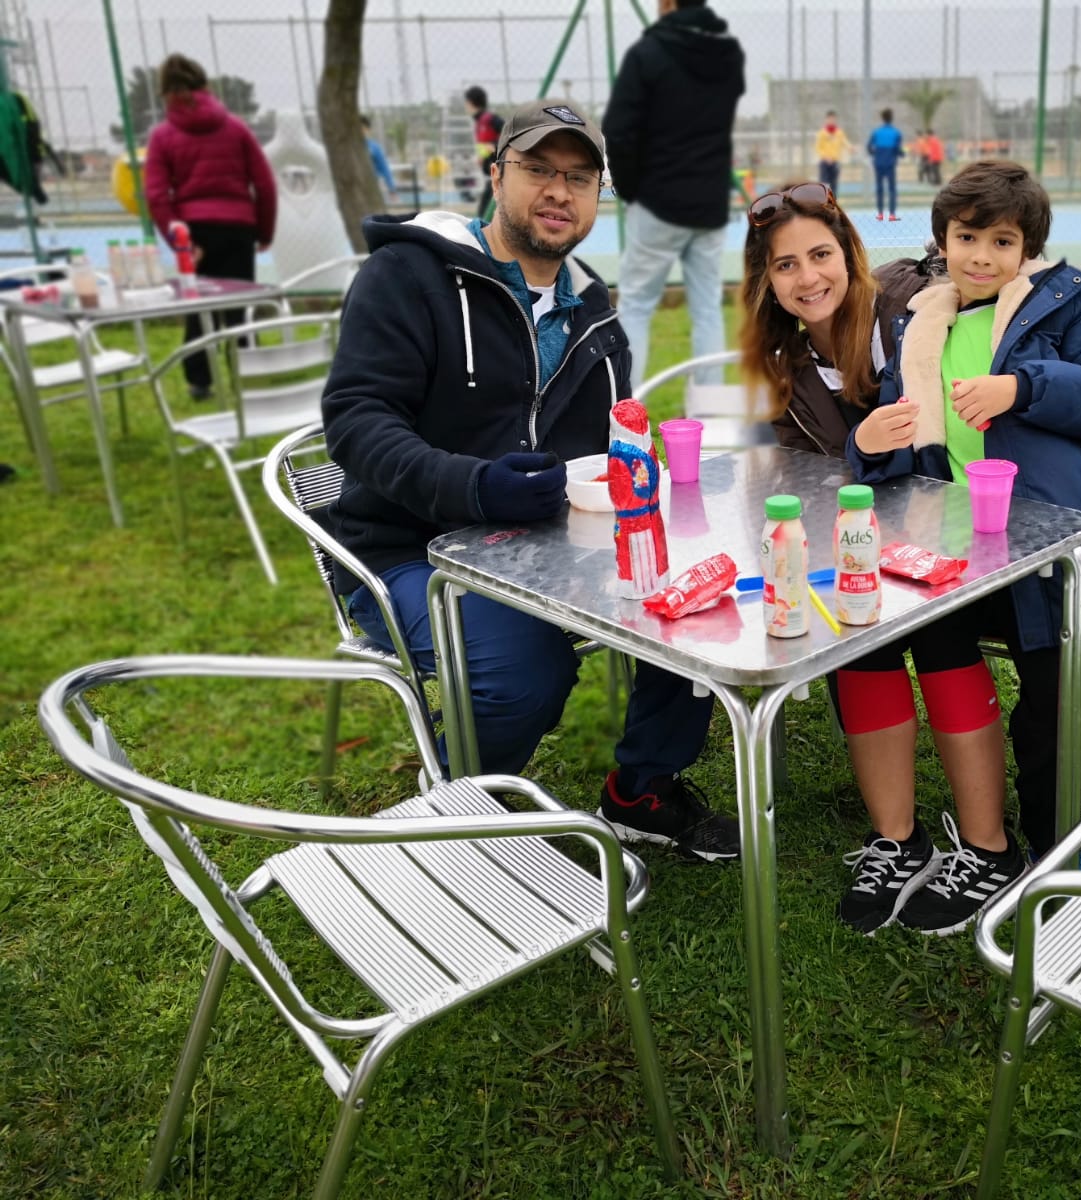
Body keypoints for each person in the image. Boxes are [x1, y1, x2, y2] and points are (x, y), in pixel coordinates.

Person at [321, 98, 739, 863]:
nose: (558, 191)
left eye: (579, 178)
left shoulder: (594, 311)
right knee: (522, 674)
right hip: (411, 552)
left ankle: (641, 789)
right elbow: (356, 421)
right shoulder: (408, 275)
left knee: (691, 601)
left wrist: (630, 475)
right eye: (539, 168)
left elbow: (604, 447)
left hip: (547, 548)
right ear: (496, 175)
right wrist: (477, 486)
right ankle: (456, 809)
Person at [847, 160, 1081, 864]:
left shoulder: (1068, 303)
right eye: (967, 238)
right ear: (942, 240)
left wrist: (1021, 387)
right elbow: (902, 445)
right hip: (994, 564)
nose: (981, 256)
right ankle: (1054, 859)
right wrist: (868, 446)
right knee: (1048, 724)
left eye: (1002, 241)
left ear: (1027, 247)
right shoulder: (922, 329)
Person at [739, 181, 1018, 935]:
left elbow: (1011, 307)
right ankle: (898, 839)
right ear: (767, 280)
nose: (808, 278)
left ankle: (990, 848)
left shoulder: (910, 309)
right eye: (786, 265)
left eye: (820, 255)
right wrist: (853, 452)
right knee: (856, 626)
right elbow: (797, 478)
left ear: (849, 254)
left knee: (935, 626)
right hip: (865, 547)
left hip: (972, 533)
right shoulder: (783, 361)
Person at [603, 0, 744, 387]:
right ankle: (709, 407)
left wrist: (631, 189)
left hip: (657, 201)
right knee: (707, 309)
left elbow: (618, 131)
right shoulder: (728, 54)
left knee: (635, 305)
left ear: (667, 3)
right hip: (710, 201)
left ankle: (626, 406)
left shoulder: (647, 54)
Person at [143, 53, 276, 401]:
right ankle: (250, 379)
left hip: (194, 231)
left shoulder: (162, 136)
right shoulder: (236, 128)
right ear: (205, 85)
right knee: (241, 306)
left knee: (198, 308)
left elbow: (156, 195)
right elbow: (264, 184)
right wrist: (264, 231)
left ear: (164, 92)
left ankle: (200, 381)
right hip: (238, 229)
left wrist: (179, 241)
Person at [463, 86, 505, 219]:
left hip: (499, 172)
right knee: (486, 210)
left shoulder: (490, 119)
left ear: (470, 102)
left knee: (484, 212)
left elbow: (509, 135)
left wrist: (493, 146)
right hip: (490, 175)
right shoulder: (479, 121)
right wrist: (481, 156)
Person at [867, 108, 905, 221]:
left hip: (878, 163)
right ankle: (892, 215)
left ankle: (880, 214)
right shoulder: (896, 133)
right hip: (890, 163)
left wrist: (876, 154)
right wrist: (902, 154)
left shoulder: (876, 132)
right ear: (891, 118)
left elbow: (869, 147)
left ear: (882, 118)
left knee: (879, 188)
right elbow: (897, 149)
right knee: (892, 188)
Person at [815, 110, 850, 194]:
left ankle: (833, 201)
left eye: (833, 119)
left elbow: (844, 142)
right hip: (825, 162)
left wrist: (850, 148)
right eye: (830, 119)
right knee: (824, 184)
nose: (832, 121)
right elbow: (818, 148)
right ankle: (824, 201)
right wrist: (825, 157)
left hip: (835, 162)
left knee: (834, 185)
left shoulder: (839, 132)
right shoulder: (822, 133)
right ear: (826, 120)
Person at [362, 114, 396, 196]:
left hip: (373, 187)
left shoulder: (374, 147)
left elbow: (384, 168)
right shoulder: (349, 148)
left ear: (368, 130)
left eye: (363, 128)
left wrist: (391, 188)